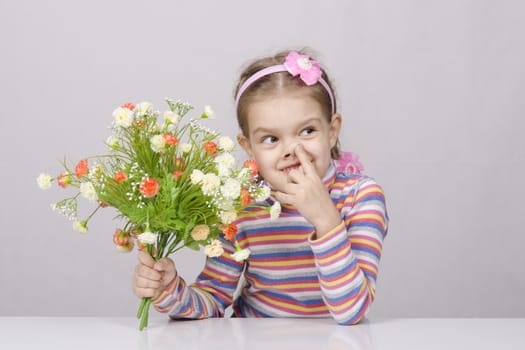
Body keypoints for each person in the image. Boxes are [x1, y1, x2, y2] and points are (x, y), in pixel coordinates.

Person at [132, 49, 388, 325]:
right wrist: (167, 289)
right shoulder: (241, 207)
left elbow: (352, 311)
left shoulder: (360, 198)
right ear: (248, 147)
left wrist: (325, 219)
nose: (292, 148)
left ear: (332, 130)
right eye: (270, 138)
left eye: (307, 131)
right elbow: (212, 301)